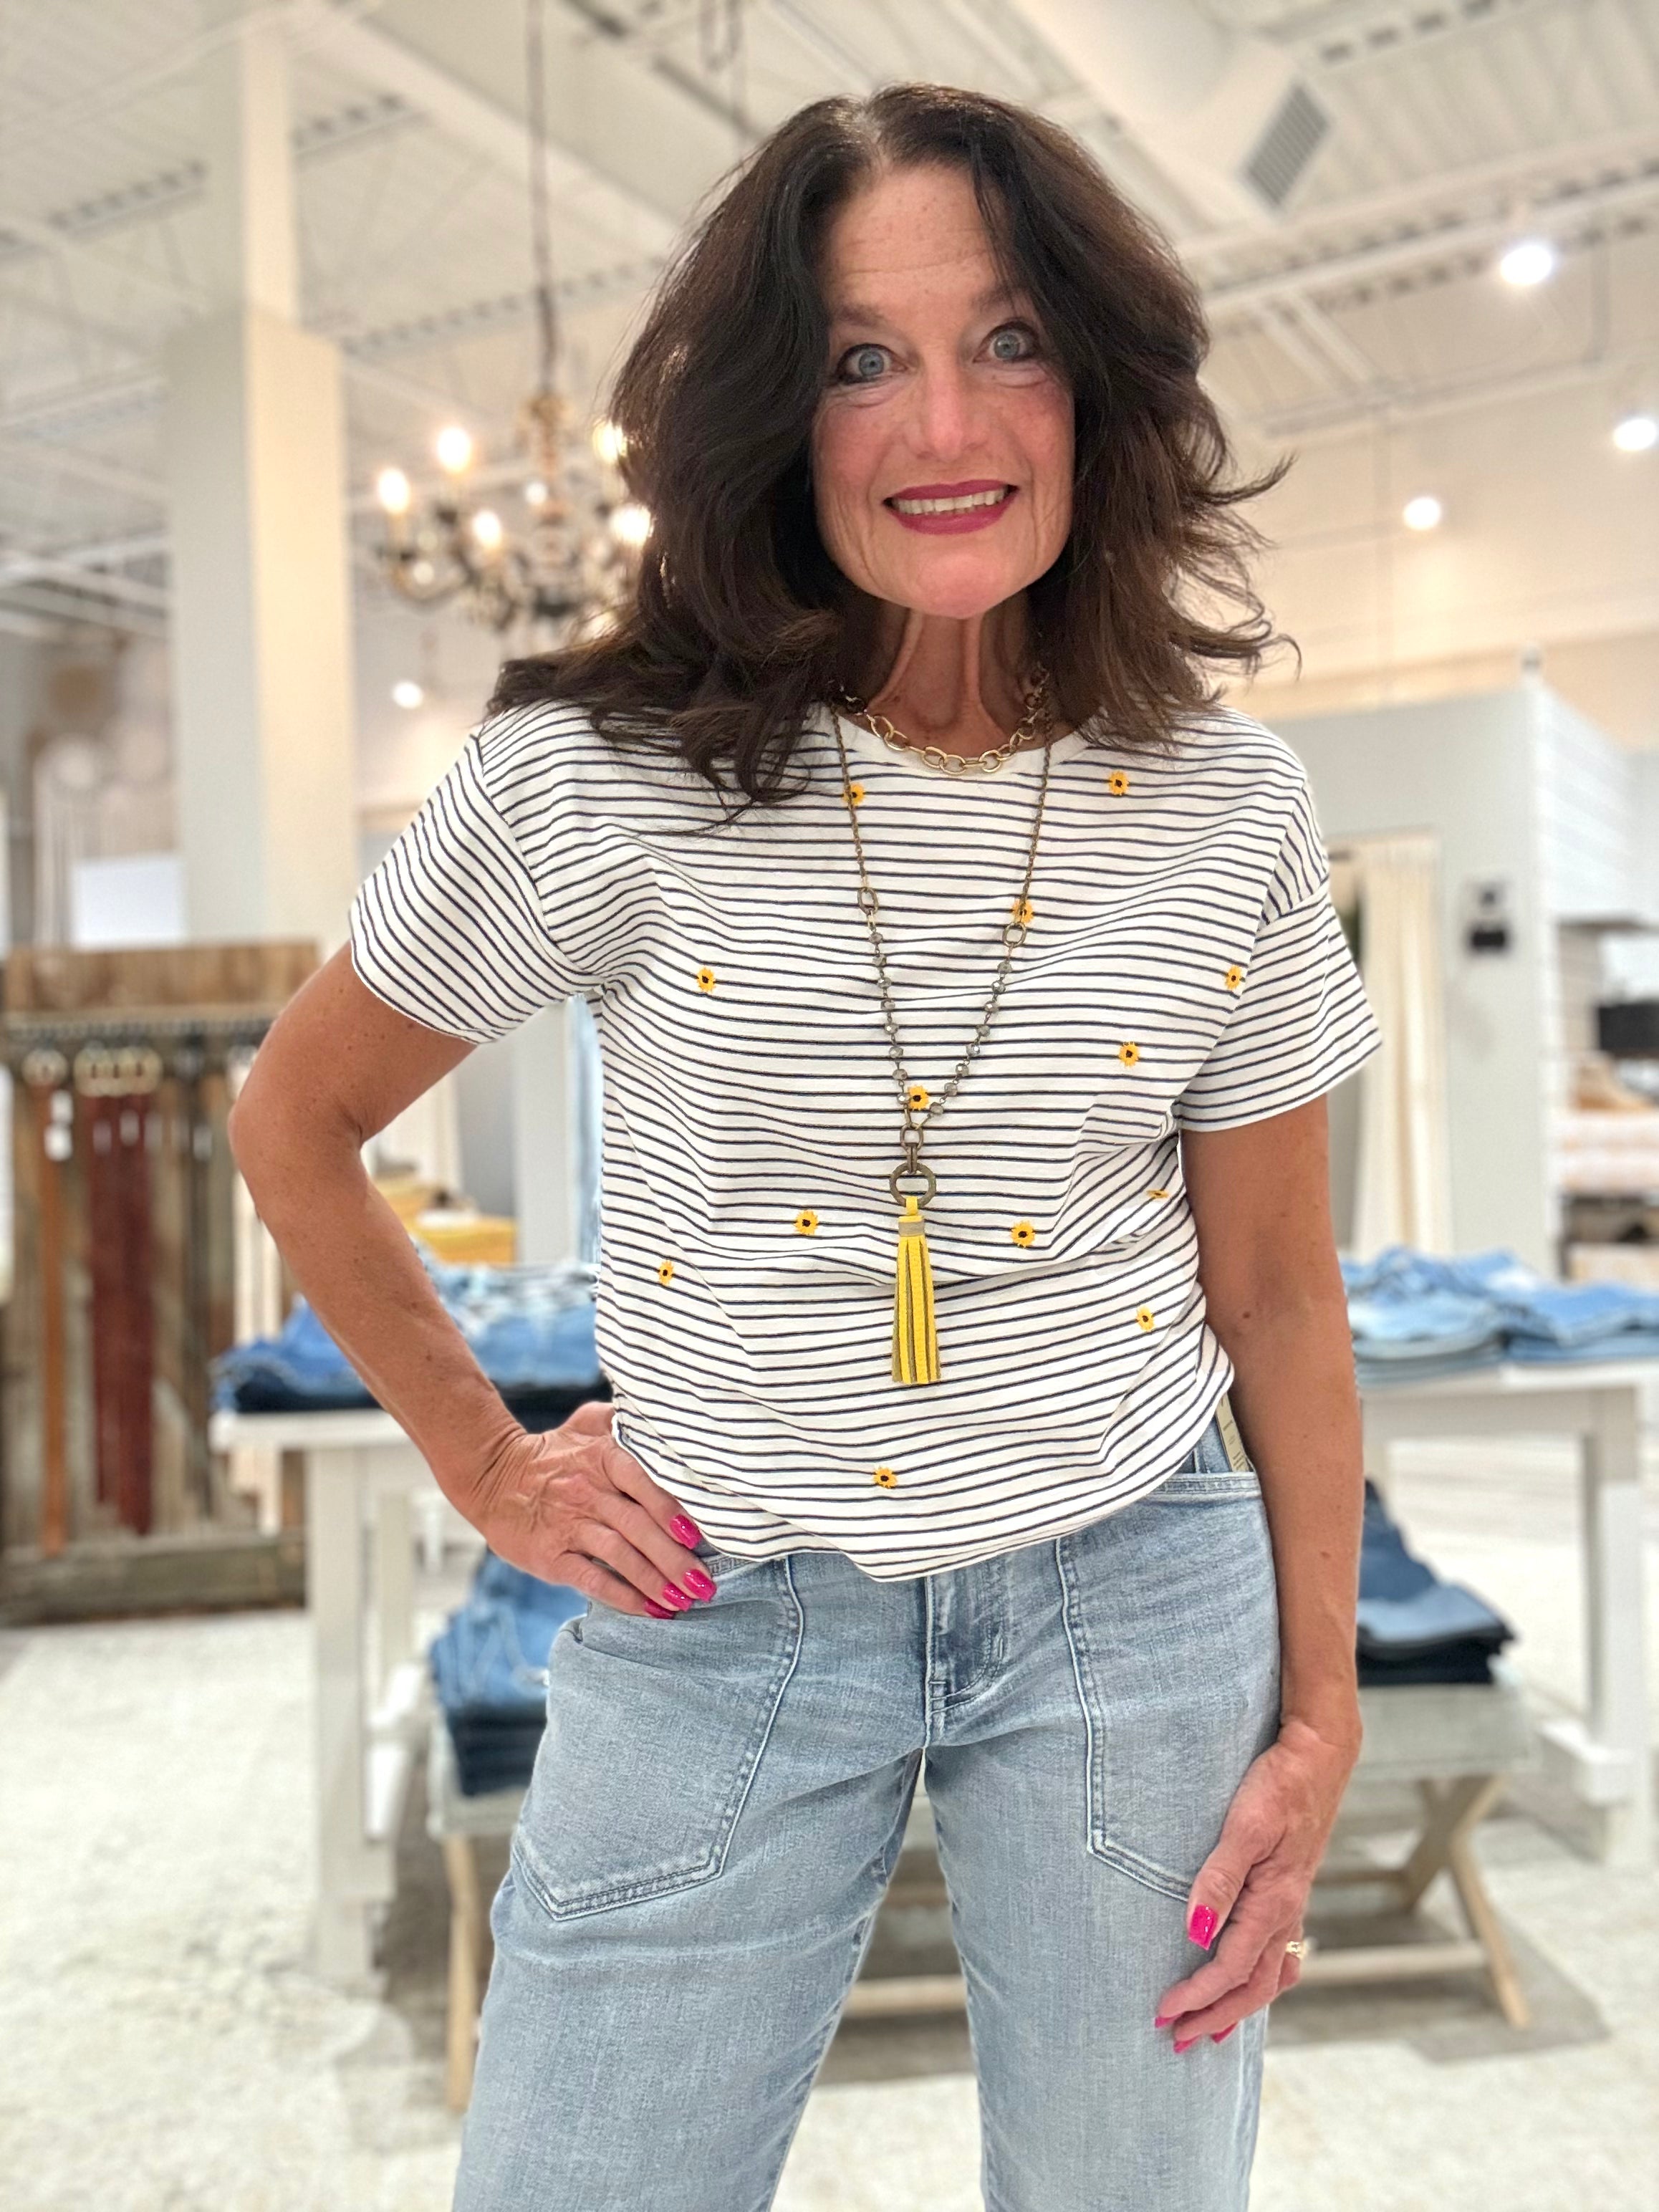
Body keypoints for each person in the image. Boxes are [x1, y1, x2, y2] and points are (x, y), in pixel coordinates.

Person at [232, 84, 1382, 2212]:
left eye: (1008, 339)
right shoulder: (597, 780)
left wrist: (1322, 1715)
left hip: (1132, 1594)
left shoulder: (1225, 808)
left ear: (1095, 383)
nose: (945, 422)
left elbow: (1276, 1293)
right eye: (862, 358)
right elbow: (292, 1117)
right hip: (719, 1596)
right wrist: (488, 1463)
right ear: (776, 412)